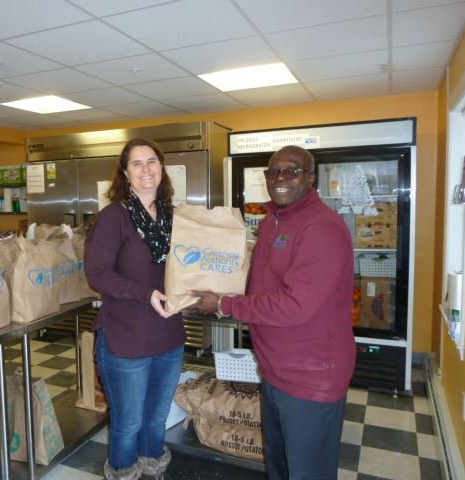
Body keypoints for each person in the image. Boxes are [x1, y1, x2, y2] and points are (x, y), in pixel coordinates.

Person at [192, 145, 355, 480]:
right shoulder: (271, 222)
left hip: (311, 377)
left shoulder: (322, 227)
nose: (280, 178)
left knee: (308, 472)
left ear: (311, 178)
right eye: (273, 171)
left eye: (292, 171)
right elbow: (260, 288)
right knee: (279, 467)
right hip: (275, 370)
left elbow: (295, 305)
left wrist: (224, 304)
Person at [85, 138, 185, 480]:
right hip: (126, 337)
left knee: (156, 418)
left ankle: (154, 468)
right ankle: (125, 472)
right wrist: (147, 294)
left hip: (169, 334)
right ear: (125, 173)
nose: (146, 169)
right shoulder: (115, 217)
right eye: (137, 164)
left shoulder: (175, 216)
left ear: (162, 168)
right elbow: (97, 274)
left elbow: (188, 267)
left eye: (152, 161)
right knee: (129, 422)